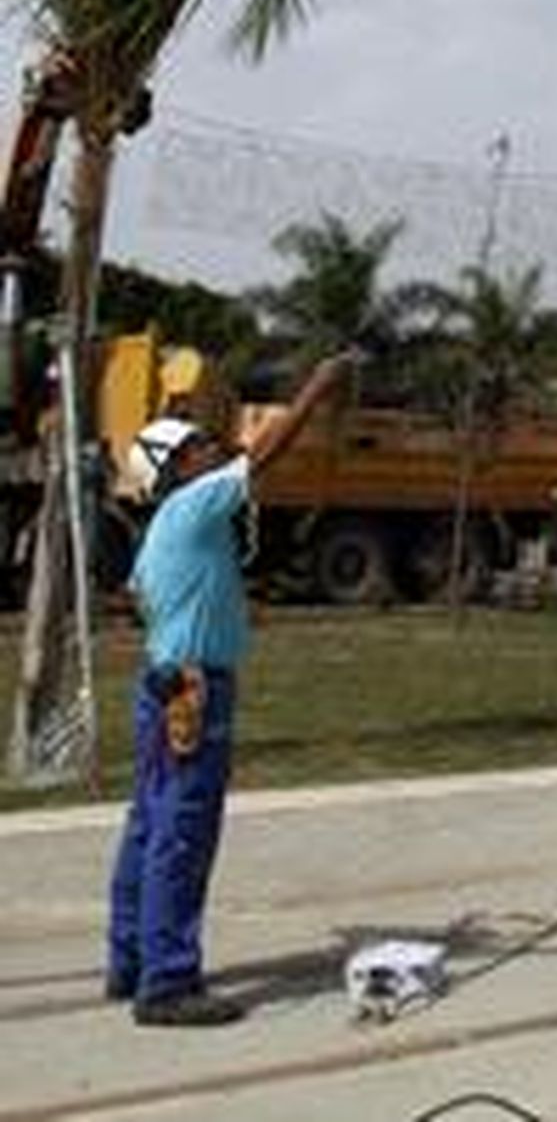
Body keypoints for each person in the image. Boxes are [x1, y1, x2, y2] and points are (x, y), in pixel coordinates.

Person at [107, 350, 357, 1027]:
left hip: (163, 681)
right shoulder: (193, 503)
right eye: (194, 445)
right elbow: (266, 451)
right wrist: (316, 387)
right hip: (194, 689)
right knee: (183, 832)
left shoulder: (164, 525)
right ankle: (168, 982)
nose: (209, 447)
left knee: (149, 822)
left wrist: (215, 610)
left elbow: (142, 599)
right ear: (175, 468)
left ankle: (129, 960)